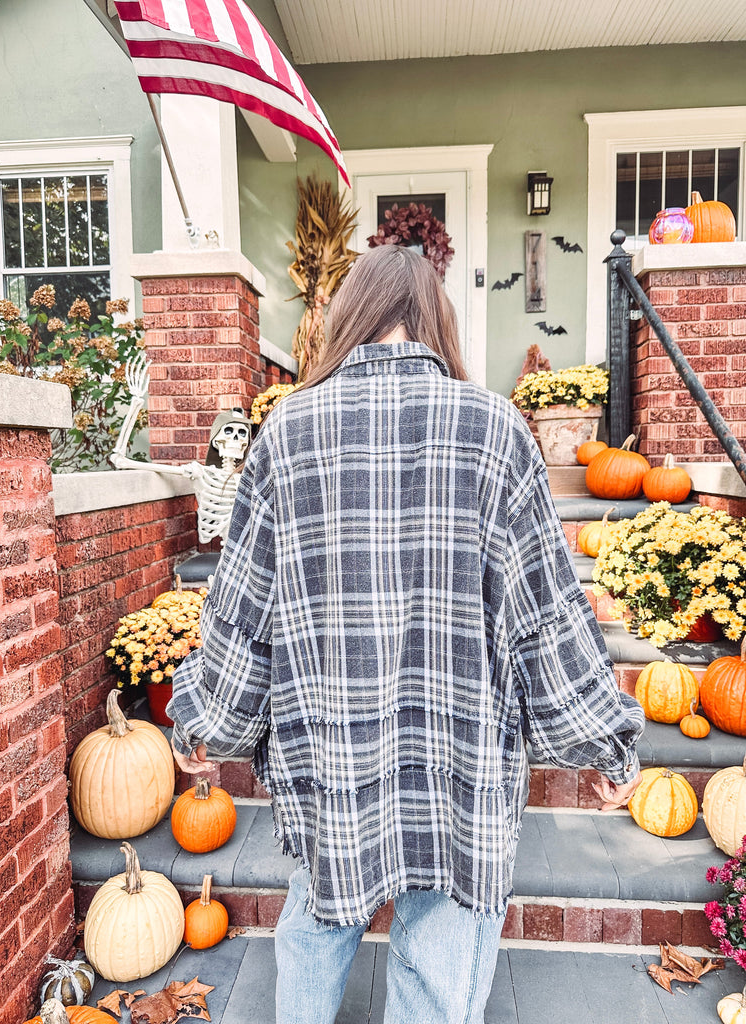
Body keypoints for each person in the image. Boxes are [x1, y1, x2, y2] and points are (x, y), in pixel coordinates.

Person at [167, 245, 644, 1024]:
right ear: (438, 321)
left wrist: (200, 720)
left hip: (333, 759)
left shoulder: (287, 436)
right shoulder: (495, 429)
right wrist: (606, 743)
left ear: (349, 318)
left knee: (317, 924)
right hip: (462, 766)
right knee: (442, 957)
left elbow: (242, 615)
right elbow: (547, 619)